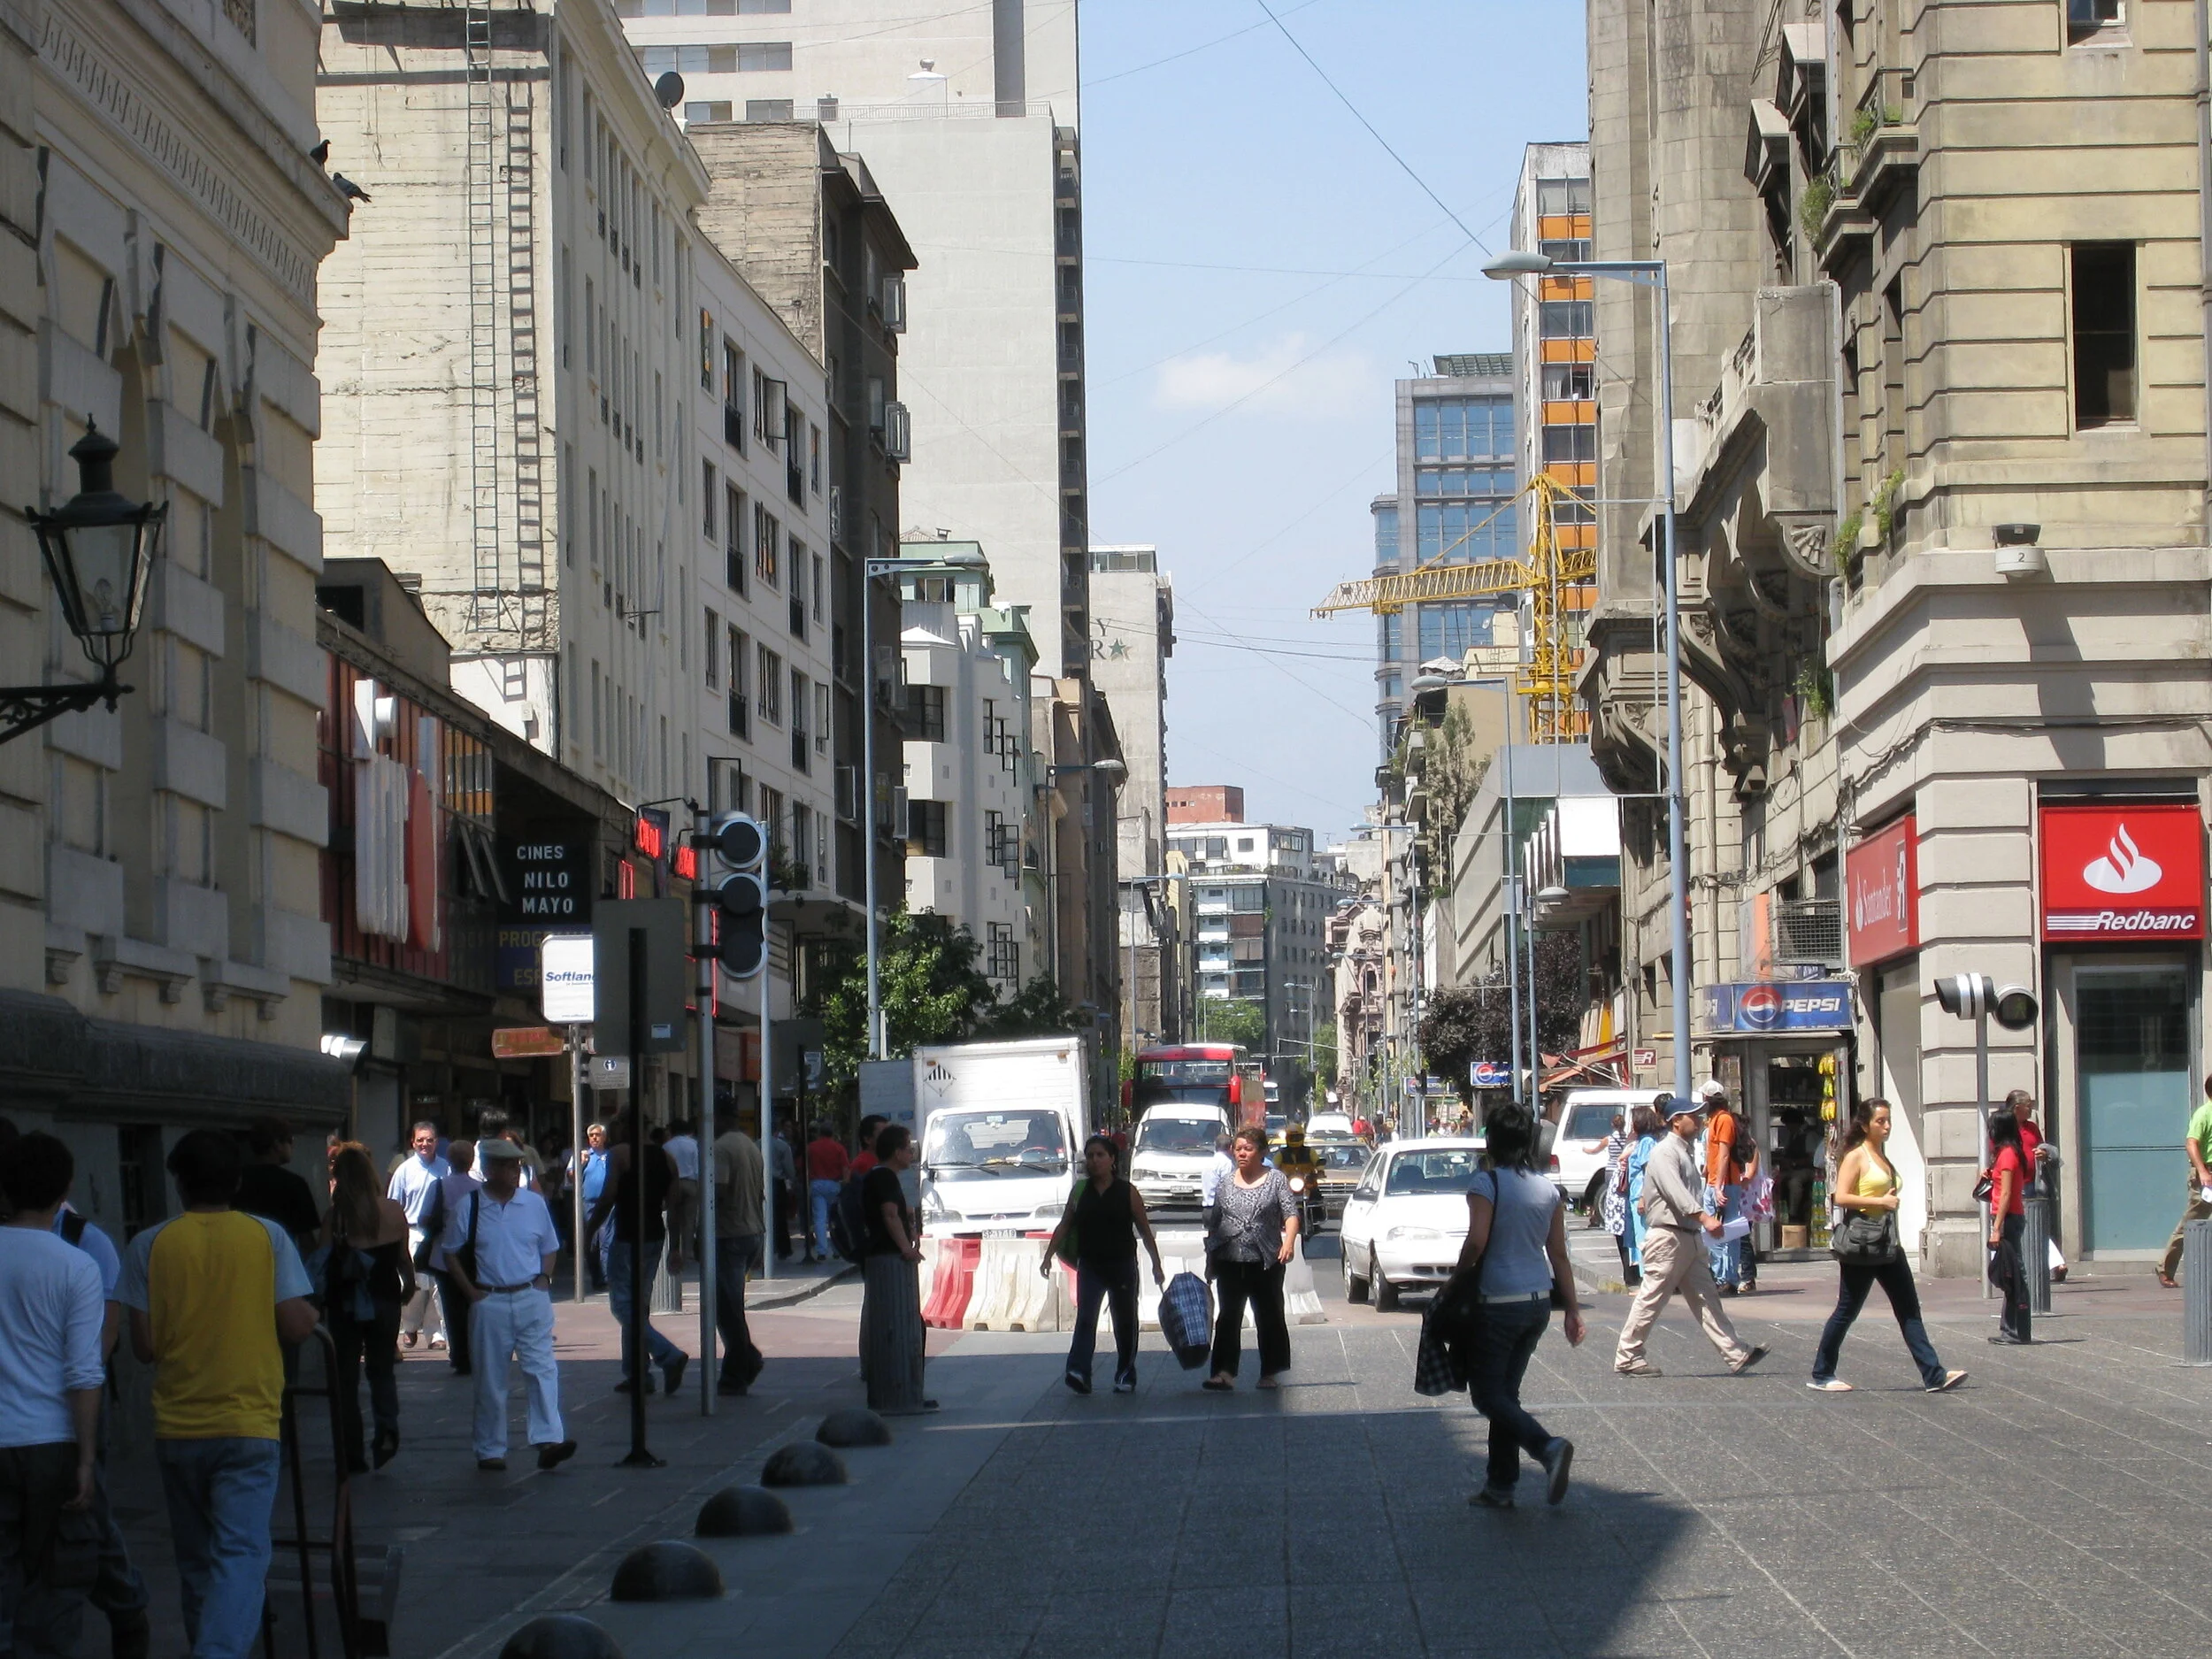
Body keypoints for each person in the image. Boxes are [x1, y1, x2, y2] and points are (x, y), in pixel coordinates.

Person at [119, 1128, 319, 1659]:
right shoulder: (267, 1236)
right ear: (235, 1182)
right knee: (241, 1555)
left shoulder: (149, 1244)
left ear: (179, 1184)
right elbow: (297, 1325)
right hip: (249, 1421)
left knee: (196, 1561)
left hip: (179, 1426)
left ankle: (207, 1643)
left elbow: (142, 1346)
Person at [0, 1132, 106, 1659]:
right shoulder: (76, 1266)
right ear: (64, 1189)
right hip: (49, 1441)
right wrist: (86, 1458)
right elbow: (83, 1370)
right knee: (57, 1579)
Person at [1455, 1105, 1586, 1510]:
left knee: (1488, 1397)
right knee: (1506, 1395)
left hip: (1499, 1301)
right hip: (1537, 1301)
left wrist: (1458, 1279)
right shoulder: (1547, 1190)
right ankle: (1500, 1486)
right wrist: (1573, 1309)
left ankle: (1547, 1447)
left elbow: (1477, 1241)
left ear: (1490, 1140)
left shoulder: (1487, 1182)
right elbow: (1559, 1255)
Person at [1807, 1100, 1967, 1394]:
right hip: (1863, 1244)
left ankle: (1934, 1374)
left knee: (1908, 1308)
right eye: (1881, 1121)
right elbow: (1840, 1197)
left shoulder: (1881, 1155)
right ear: (1866, 1124)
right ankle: (1822, 1372)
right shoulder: (1857, 1156)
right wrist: (1880, 1202)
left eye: (1888, 1120)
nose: (1887, 1126)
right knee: (1847, 1309)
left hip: (1888, 1241)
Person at [439, 1141, 577, 1472]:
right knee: (490, 1377)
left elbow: (549, 1246)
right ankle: (490, 1449)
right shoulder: (469, 1205)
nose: (515, 1172)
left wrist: (544, 1278)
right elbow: (450, 1252)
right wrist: (472, 1293)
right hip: (490, 1299)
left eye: (517, 1166)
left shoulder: (533, 1203)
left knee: (542, 1369)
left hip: (531, 1295)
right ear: (489, 1170)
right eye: (507, 1167)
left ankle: (548, 1440)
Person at [1612, 1094, 1767, 1379]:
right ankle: (1628, 1356)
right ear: (1675, 1122)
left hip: (1687, 1236)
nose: (1697, 1120)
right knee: (1652, 1297)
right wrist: (1705, 1217)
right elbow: (1675, 1191)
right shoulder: (1664, 1152)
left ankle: (1735, 1352)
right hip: (1669, 1237)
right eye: (1691, 1116)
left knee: (1706, 1297)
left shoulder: (1683, 1150)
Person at [1041, 1135, 1166, 1395]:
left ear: (1112, 1160)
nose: (1094, 1160)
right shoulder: (1080, 1190)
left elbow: (1144, 1229)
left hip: (1122, 1264)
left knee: (1125, 1321)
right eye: (1090, 1156)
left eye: (1100, 1155)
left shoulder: (1127, 1191)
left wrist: (1156, 1263)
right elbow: (1065, 1223)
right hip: (1090, 1265)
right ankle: (1078, 1371)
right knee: (1086, 1319)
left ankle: (1125, 1373)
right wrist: (1048, 1255)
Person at [321, 1144, 412, 1471]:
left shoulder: (337, 1216)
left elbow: (322, 1260)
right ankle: (387, 1428)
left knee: (345, 1378)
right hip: (385, 1298)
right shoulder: (391, 1210)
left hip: (345, 1302)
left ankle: (351, 1452)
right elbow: (403, 1258)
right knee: (381, 1369)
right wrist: (409, 1286)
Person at [585, 1110, 687, 1395]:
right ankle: (638, 1374)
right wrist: (676, 1246)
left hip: (628, 1236)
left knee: (622, 1306)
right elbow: (675, 1205)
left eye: (616, 1125)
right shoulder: (666, 1158)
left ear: (625, 1126)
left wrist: (589, 1230)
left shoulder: (619, 1155)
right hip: (655, 1236)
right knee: (638, 1306)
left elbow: (607, 1196)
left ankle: (667, 1355)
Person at [1202, 1125, 1300, 1393]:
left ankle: (1269, 1371)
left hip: (1266, 1259)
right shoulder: (1224, 1184)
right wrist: (1211, 1259)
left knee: (1268, 1316)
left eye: (1248, 1148)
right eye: (1238, 1149)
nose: (1242, 1153)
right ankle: (1223, 1372)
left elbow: (1290, 1213)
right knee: (1229, 1317)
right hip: (1229, 1258)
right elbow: (1216, 1223)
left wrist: (1289, 1242)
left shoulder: (1276, 1179)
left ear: (1262, 1152)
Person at [858, 1125, 933, 1414]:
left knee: (908, 1324)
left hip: (882, 1259)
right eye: (908, 1148)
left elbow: (898, 1214)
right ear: (896, 1152)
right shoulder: (885, 1178)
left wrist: (910, 1224)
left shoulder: (881, 1177)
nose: (912, 1153)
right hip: (889, 1261)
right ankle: (903, 1391)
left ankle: (905, 1390)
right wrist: (906, 1248)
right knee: (903, 1326)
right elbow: (890, 1215)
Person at [710, 1114, 766, 1396]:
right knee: (730, 1304)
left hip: (729, 1232)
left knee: (727, 1307)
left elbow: (718, 1192)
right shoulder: (750, 1145)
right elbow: (760, 1193)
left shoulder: (721, 1148)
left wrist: (700, 1228)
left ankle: (740, 1366)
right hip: (751, 1229)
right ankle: (743, 1361)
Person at [388, 1123, 449, 1354]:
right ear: (413, 1142)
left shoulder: (446, 1168)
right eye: (420, 1140)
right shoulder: (404, 1170)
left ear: (437, 1142)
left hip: (438, 1233)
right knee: (413, 1284)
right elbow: (394, 1204)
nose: (425, 1144)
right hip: (411, 1231)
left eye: (430, 1140)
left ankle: (435, 1334)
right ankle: (410, 1327)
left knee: (436, 1286)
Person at [232, 1117, 321, 1257]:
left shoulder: (237, 1180)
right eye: (290, 1140)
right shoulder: (295, 1184)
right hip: (281, 1258)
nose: (293, 1146)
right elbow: (306, 1240)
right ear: (277, 1144)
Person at [428, 1140, 480, 1374]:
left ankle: (459, 1354)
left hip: (444, 1256)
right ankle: (475, 1353)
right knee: (474, 1306)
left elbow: (426, 1219)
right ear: (471, 1161)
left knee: (451, 1308)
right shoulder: (480, 1188)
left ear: (449, 1160)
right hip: (475, 1256)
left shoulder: (440, 1186)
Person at [2156, 1074, 2212, 1288]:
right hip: (2206, 1174)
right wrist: (2202, 1172)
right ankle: (2165, 1268)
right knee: (2190, 1225)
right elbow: (2191, 1143)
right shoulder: (2204, 1114)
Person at [1986, 1108, 2033, 1345]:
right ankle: (2010, 1328)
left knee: (2014, 1274)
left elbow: (2005, 1194)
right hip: (2010, 1216)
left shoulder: (2007, 1154)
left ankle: (2016, 1329)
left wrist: (1996, 1227)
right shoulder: (2010, 1153)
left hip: (2008, 1218)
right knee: (2011, 1273)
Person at [1700, 1080, 1744, 1293]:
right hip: (1716, 1181)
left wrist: (1718, 1186)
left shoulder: (1724, 1119)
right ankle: (1721, 1275)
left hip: (1725, 1183)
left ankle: (1727, 1277)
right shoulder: (1715, 1120)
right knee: (1714, 1230)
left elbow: (1724, 1154)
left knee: (1725, 1230)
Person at [1624, 1104, 1662, 1279]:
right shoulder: (1645, 1141)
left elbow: (1649, 1170)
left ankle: (1647, 1277)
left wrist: (1642, 1198)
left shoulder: (1646, 1142)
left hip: (1640, 1194)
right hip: (1637, 1193)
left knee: (1643, 1238)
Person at [805, 1122, 850, 1265]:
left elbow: (803, 1165)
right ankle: (837, 1250)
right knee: (834, 1218)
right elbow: (845, 1167)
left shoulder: (811, 1148)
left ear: (820, 1134)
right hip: (834, 1184)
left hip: (817, 1183)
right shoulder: (838, 1148)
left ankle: (821, 1252)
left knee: (820, 1218)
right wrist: (845, 1183)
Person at [1597, 1113, 1634, 1283]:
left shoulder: (1610, 1139)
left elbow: (1596, 1150)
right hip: (1623, 1182)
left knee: (1621, 1233)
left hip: (1614, 1177)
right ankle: (1630, 1274)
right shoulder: (1628, 1140)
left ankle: (1629, 1275)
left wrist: (1586, 1150)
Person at [663, 1118, 701, 1273]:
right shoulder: (693, 1144)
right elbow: (698, 1167)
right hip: (691, 1183)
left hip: (673, 1184)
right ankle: (688, 1251)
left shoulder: (667, 1146)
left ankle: (674, 1248)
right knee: (689, 1219)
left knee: (673, 1218)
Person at [577, 1122, 611, 1291]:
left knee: (607, 1240)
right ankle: (596, 1277)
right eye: (591, 1135)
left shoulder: (610, 1156)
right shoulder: (582, 1156)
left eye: (598, 1135)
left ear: (604, 1137)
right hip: (589, 1204)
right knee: (592, 1242)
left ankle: (607, 1277)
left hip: (608, 1204)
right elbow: (570, 1179)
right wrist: (581, 1163)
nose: (594, 1138)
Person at [769, 1120, 797, 1260]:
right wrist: (791, 1182)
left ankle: (768, 1246)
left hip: (761, 1182)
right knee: (780, 1217)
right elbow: (789, 1168)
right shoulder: (783, 1146)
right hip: (777, 1182)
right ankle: (783, 1248)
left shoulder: (756, 1145)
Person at [849, 1114, 887, 1179]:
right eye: (883, 1134)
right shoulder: (862, 1164)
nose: (888, 1137)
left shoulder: (882, 1161)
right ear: (868, 1139)